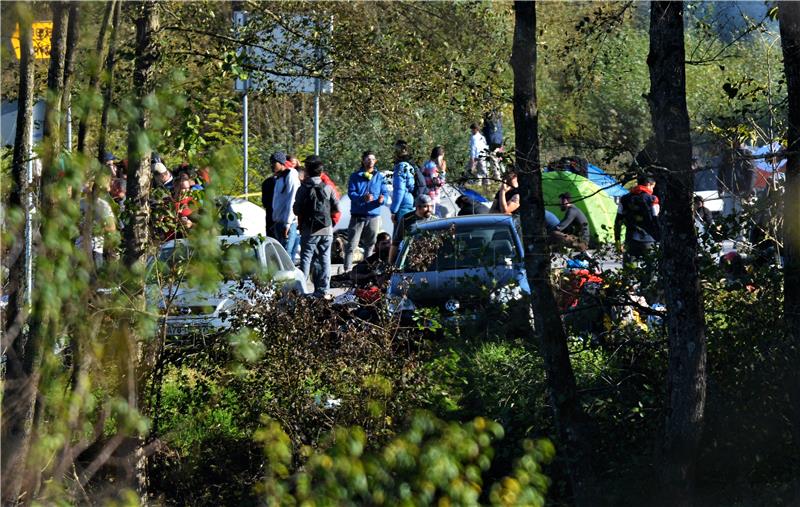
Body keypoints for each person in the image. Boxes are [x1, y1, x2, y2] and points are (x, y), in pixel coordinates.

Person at [293, 155, 340, 297]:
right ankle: (324, 289)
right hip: (326, 228)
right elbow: (337, 207)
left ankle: (301, 289)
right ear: (321, 172)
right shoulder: (328, 188)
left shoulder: (303, 189)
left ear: (307, 171)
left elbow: (296, 210)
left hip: (309, 229)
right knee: (325, 258)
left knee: (306, 258)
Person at [344, 150, 390, 272]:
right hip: (357, 216)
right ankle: (347, 270)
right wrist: (362, 198)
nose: (370, 161)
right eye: (368, 159)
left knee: (370, 246)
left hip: (373, 216)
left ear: (375, 161)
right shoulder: (355, 176)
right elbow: (351, 193)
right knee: (351, 245)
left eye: (373, 159)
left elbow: (385, 193)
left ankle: (367, 270)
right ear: (363, 161)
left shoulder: (379, 177)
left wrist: (382, 199)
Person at [614, 175, 660, 261]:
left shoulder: (624, 199)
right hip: (649, 240)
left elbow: (618, 221)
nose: (652, 190)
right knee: (650, 270)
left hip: (631, 239)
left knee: (629, 270)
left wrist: (617, 240)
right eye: (653, 187)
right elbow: (656, 219)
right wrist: (659, 238)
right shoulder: (653, 199)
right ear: (648, 184)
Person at [271, 151, 301, 261]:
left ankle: (289, 278)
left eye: (274, 163)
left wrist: (288, 223)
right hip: (278, 222)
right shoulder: (279, 178)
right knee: (280, 256)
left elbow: (292, 200)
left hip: (287, 223)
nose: (272, 166)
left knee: (286, 257)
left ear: (281, 162)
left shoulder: (291, 175)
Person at [390, 194, 436, 263]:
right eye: (426, 206)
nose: (429, 209)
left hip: (429, 255)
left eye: (431, 206)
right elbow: (396, 242)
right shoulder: (407, 219)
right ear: (418, 207)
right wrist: (391, 262)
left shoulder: (434, 220)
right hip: (411, 256)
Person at [390, 140, 416, 221]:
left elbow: (400, 189)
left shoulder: (400, 167)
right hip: (409, 201)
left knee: (400, 231)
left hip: (402, 205)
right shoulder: (409, 166)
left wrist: (394, 210)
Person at [468, 123, 489, 187]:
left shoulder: (474, 137)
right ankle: (484, 184)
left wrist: (472, 157)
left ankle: (482, 184)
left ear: (476, 129)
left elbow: (473, 148)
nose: (471, 131)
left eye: (472, 129)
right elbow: (486, 146)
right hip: (482, 156)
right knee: (482, 171)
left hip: (477, 157)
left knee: (475, 170)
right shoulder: (482, 137)